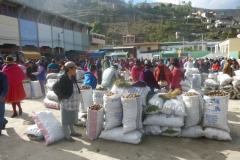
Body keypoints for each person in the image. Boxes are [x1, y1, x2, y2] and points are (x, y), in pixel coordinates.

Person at [52, 61, 81, 142]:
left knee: (71, 117)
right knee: (65, 120)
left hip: (73, 102)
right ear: (69, 69)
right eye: (74, 68)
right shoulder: (63, 78)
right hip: (66, 102)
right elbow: (55, 87)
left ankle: (73, 132)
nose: (75, 69)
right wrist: (62, 96)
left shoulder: (72, 77)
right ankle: (66, 135)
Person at [0, 71, 9, 135]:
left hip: (0, 98)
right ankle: (4, 121)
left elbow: (6, 87)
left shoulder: (2, 75)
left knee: (0, 115)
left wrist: (2, 97)